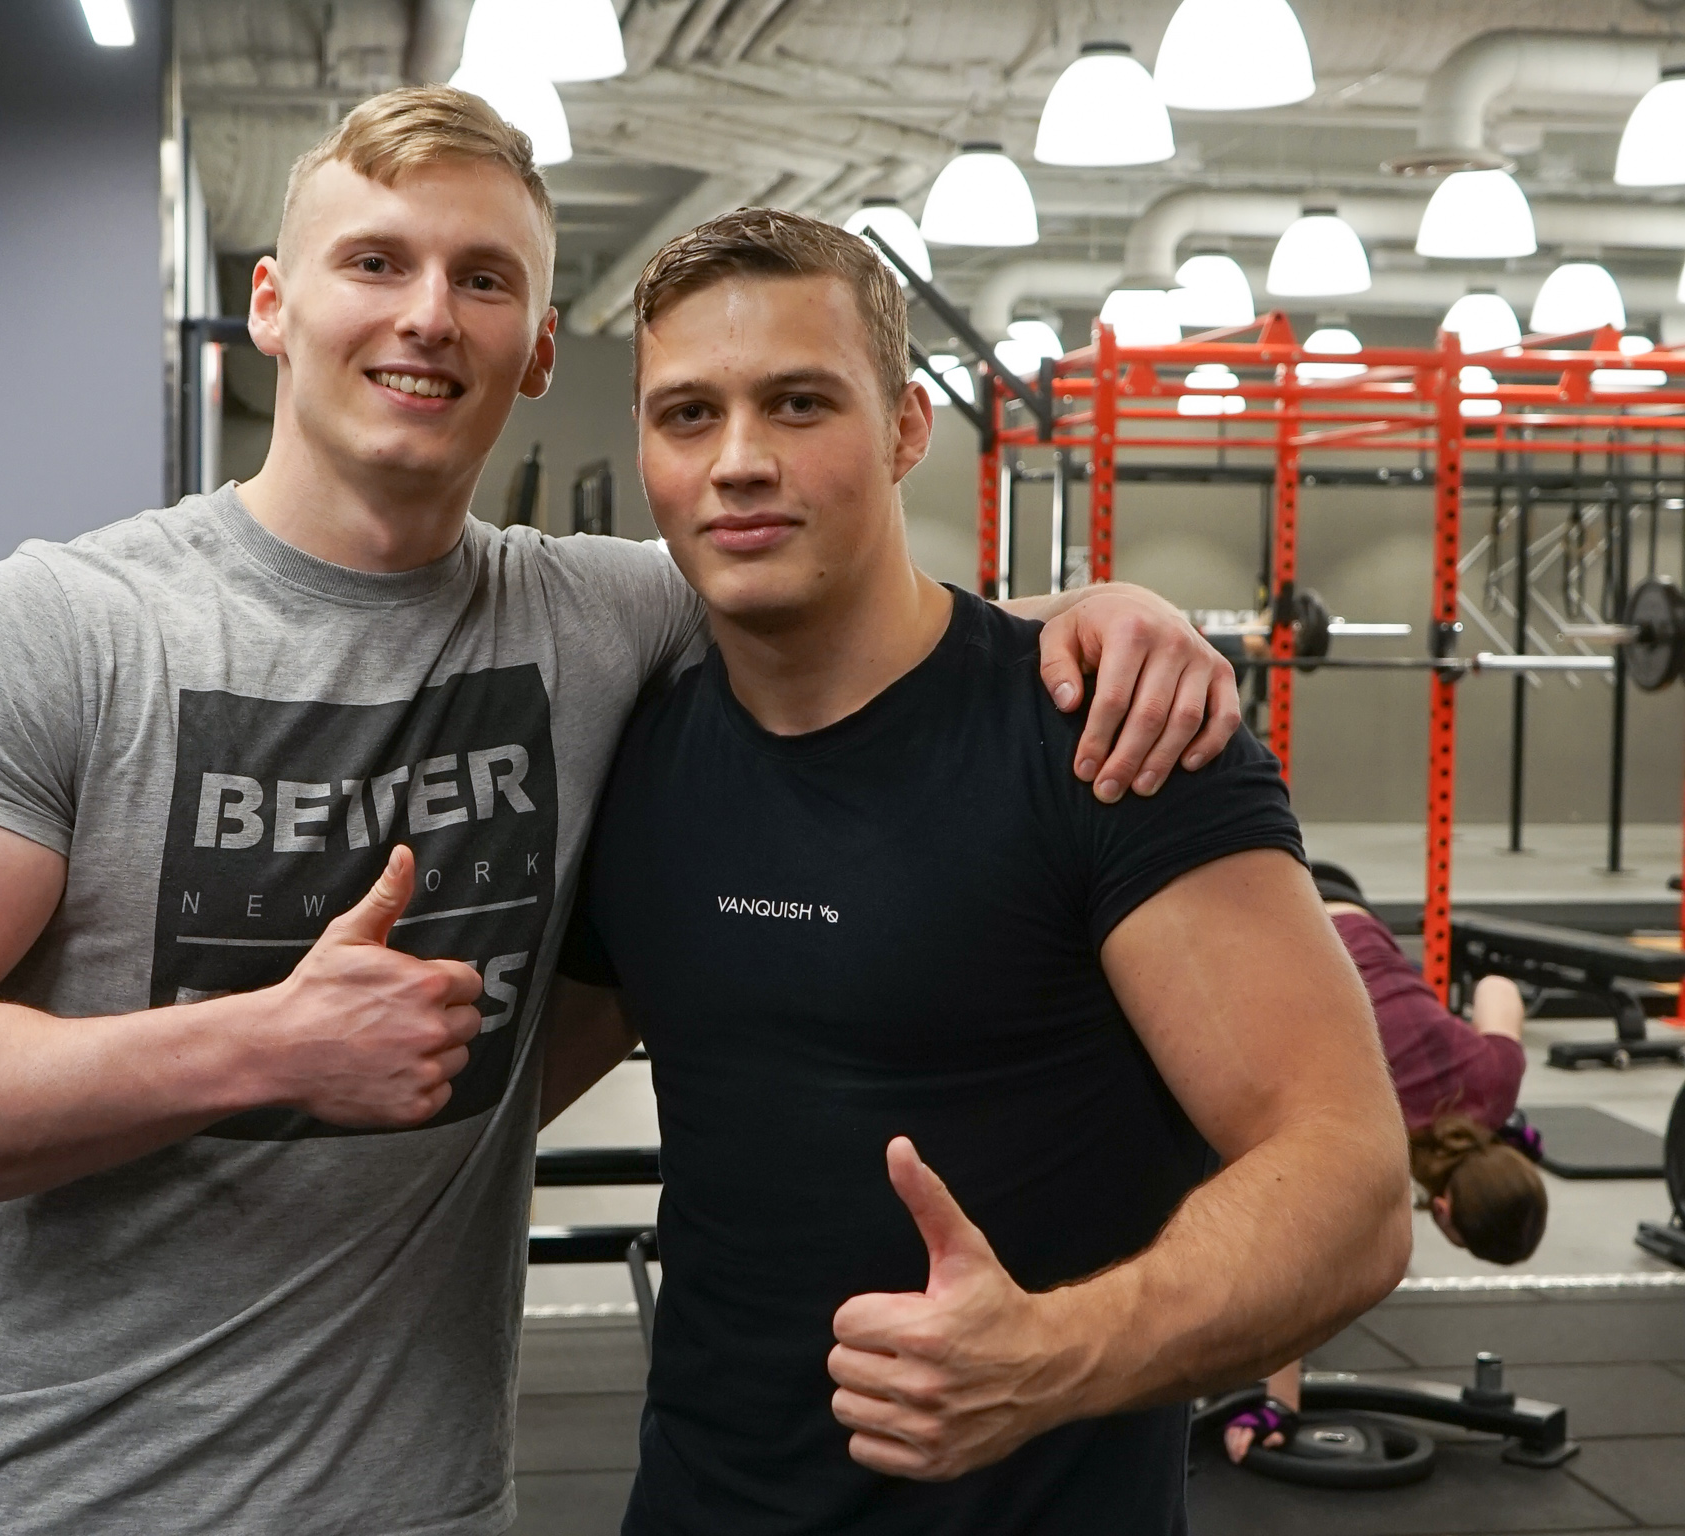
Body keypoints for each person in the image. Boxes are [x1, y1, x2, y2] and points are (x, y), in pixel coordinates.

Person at [0, 88, 1241, 1536]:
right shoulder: (62, 630)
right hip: (66, 1490)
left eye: (483, 280)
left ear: (537, 351)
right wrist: (262, 1042)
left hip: (432, 1499)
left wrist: (1106, 612)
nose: (427, 315)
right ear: (273, 307)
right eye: (376, 262)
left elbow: (857, 606)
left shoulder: (601, 617)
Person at [544, 207, 1414, 1535]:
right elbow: (497, 1087)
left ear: (904, 430)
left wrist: (1056, 1357)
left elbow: (1350, 1188)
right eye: (687, 415)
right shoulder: (638, 752)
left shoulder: (1108, 737)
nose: (738, 461)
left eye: (798, 402)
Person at [1222, 859, 1546, 1466]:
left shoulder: (1496, 1086)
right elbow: (1295, 1263)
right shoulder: (1375, 1144)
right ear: (1443, 1211)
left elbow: (1496, 989)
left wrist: (1501, 1109)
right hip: (1261, 924)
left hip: (1337, 896)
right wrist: (1278, 1406)